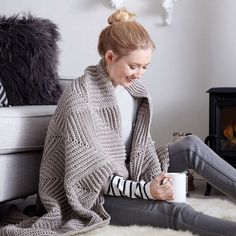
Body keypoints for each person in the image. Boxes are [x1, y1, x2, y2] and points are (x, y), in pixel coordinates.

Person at [1, 8, 236, 236]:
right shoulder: (80, 99)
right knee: (174, 211)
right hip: (94, 195)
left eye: (145, 67)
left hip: (128, 175)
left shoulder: (135, 92)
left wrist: (152, 177)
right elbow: (93, 178)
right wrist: (147, 190)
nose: (139, 73)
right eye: (133, 66)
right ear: (110, 57)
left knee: (191, 145)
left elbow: (141, 150)